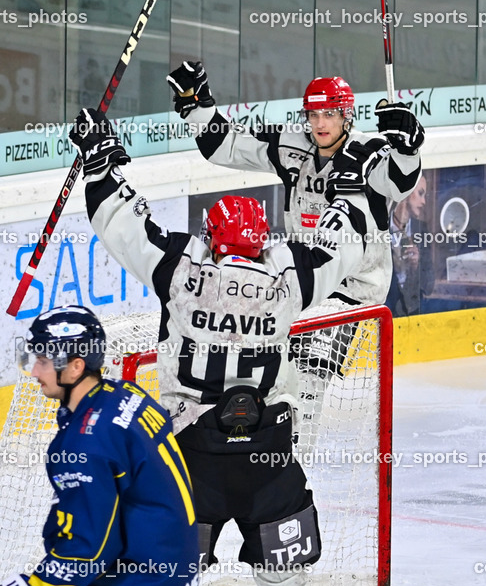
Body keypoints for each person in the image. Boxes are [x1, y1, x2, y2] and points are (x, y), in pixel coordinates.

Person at [68, 108, 377, 586]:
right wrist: (355, 187)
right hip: (269, 463)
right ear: (260, 242)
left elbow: (125, 226)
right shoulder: (288, 282)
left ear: (213, 239)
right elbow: (345, 241)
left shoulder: (182, 273)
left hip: (190, 465)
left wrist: (100, 159)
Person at [166, 61, 424, 441]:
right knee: (266, 363)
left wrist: (407, 145)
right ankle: (253, 449)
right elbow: (224, 145)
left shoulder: (368, 152)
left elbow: (400, 180)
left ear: (346, 115)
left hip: (351, 289)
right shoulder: (292, 146)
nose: (321, 123)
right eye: (314, 113)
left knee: (307, 370)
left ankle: (291, 464)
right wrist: (196, 103)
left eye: (331, 113)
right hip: (304, 277)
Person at [0, 305, 200, 586]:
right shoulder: (124, 396)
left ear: (76, 366)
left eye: (44, 360)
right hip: (148, 571)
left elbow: (91, 545)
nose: (34, 370)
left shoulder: (86, 444)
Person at [387, 174, 430, 316]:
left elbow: (430, 284)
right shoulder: (379, 227)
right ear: (405, 192)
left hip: (413, 316)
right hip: (386, 315)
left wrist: (417, 266)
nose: (424, 201)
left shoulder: (422, 230)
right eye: (420, 193)